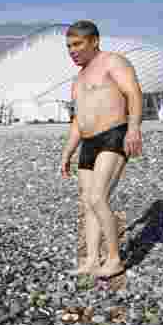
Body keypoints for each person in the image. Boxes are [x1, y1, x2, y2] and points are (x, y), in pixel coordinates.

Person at [59, 20, 143, 279]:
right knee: (87, 203)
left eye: (77, 44)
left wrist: (133, 128)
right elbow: (77, 120)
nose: (72, 51)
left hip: (113, 134)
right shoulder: (78, 79)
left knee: (98, 197)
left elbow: (134, 93)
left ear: (94, 41)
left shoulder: (113, 62)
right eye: (69, 46)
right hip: (88, 142)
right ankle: (92, 259)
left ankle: (115, 259)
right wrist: (67, 153)